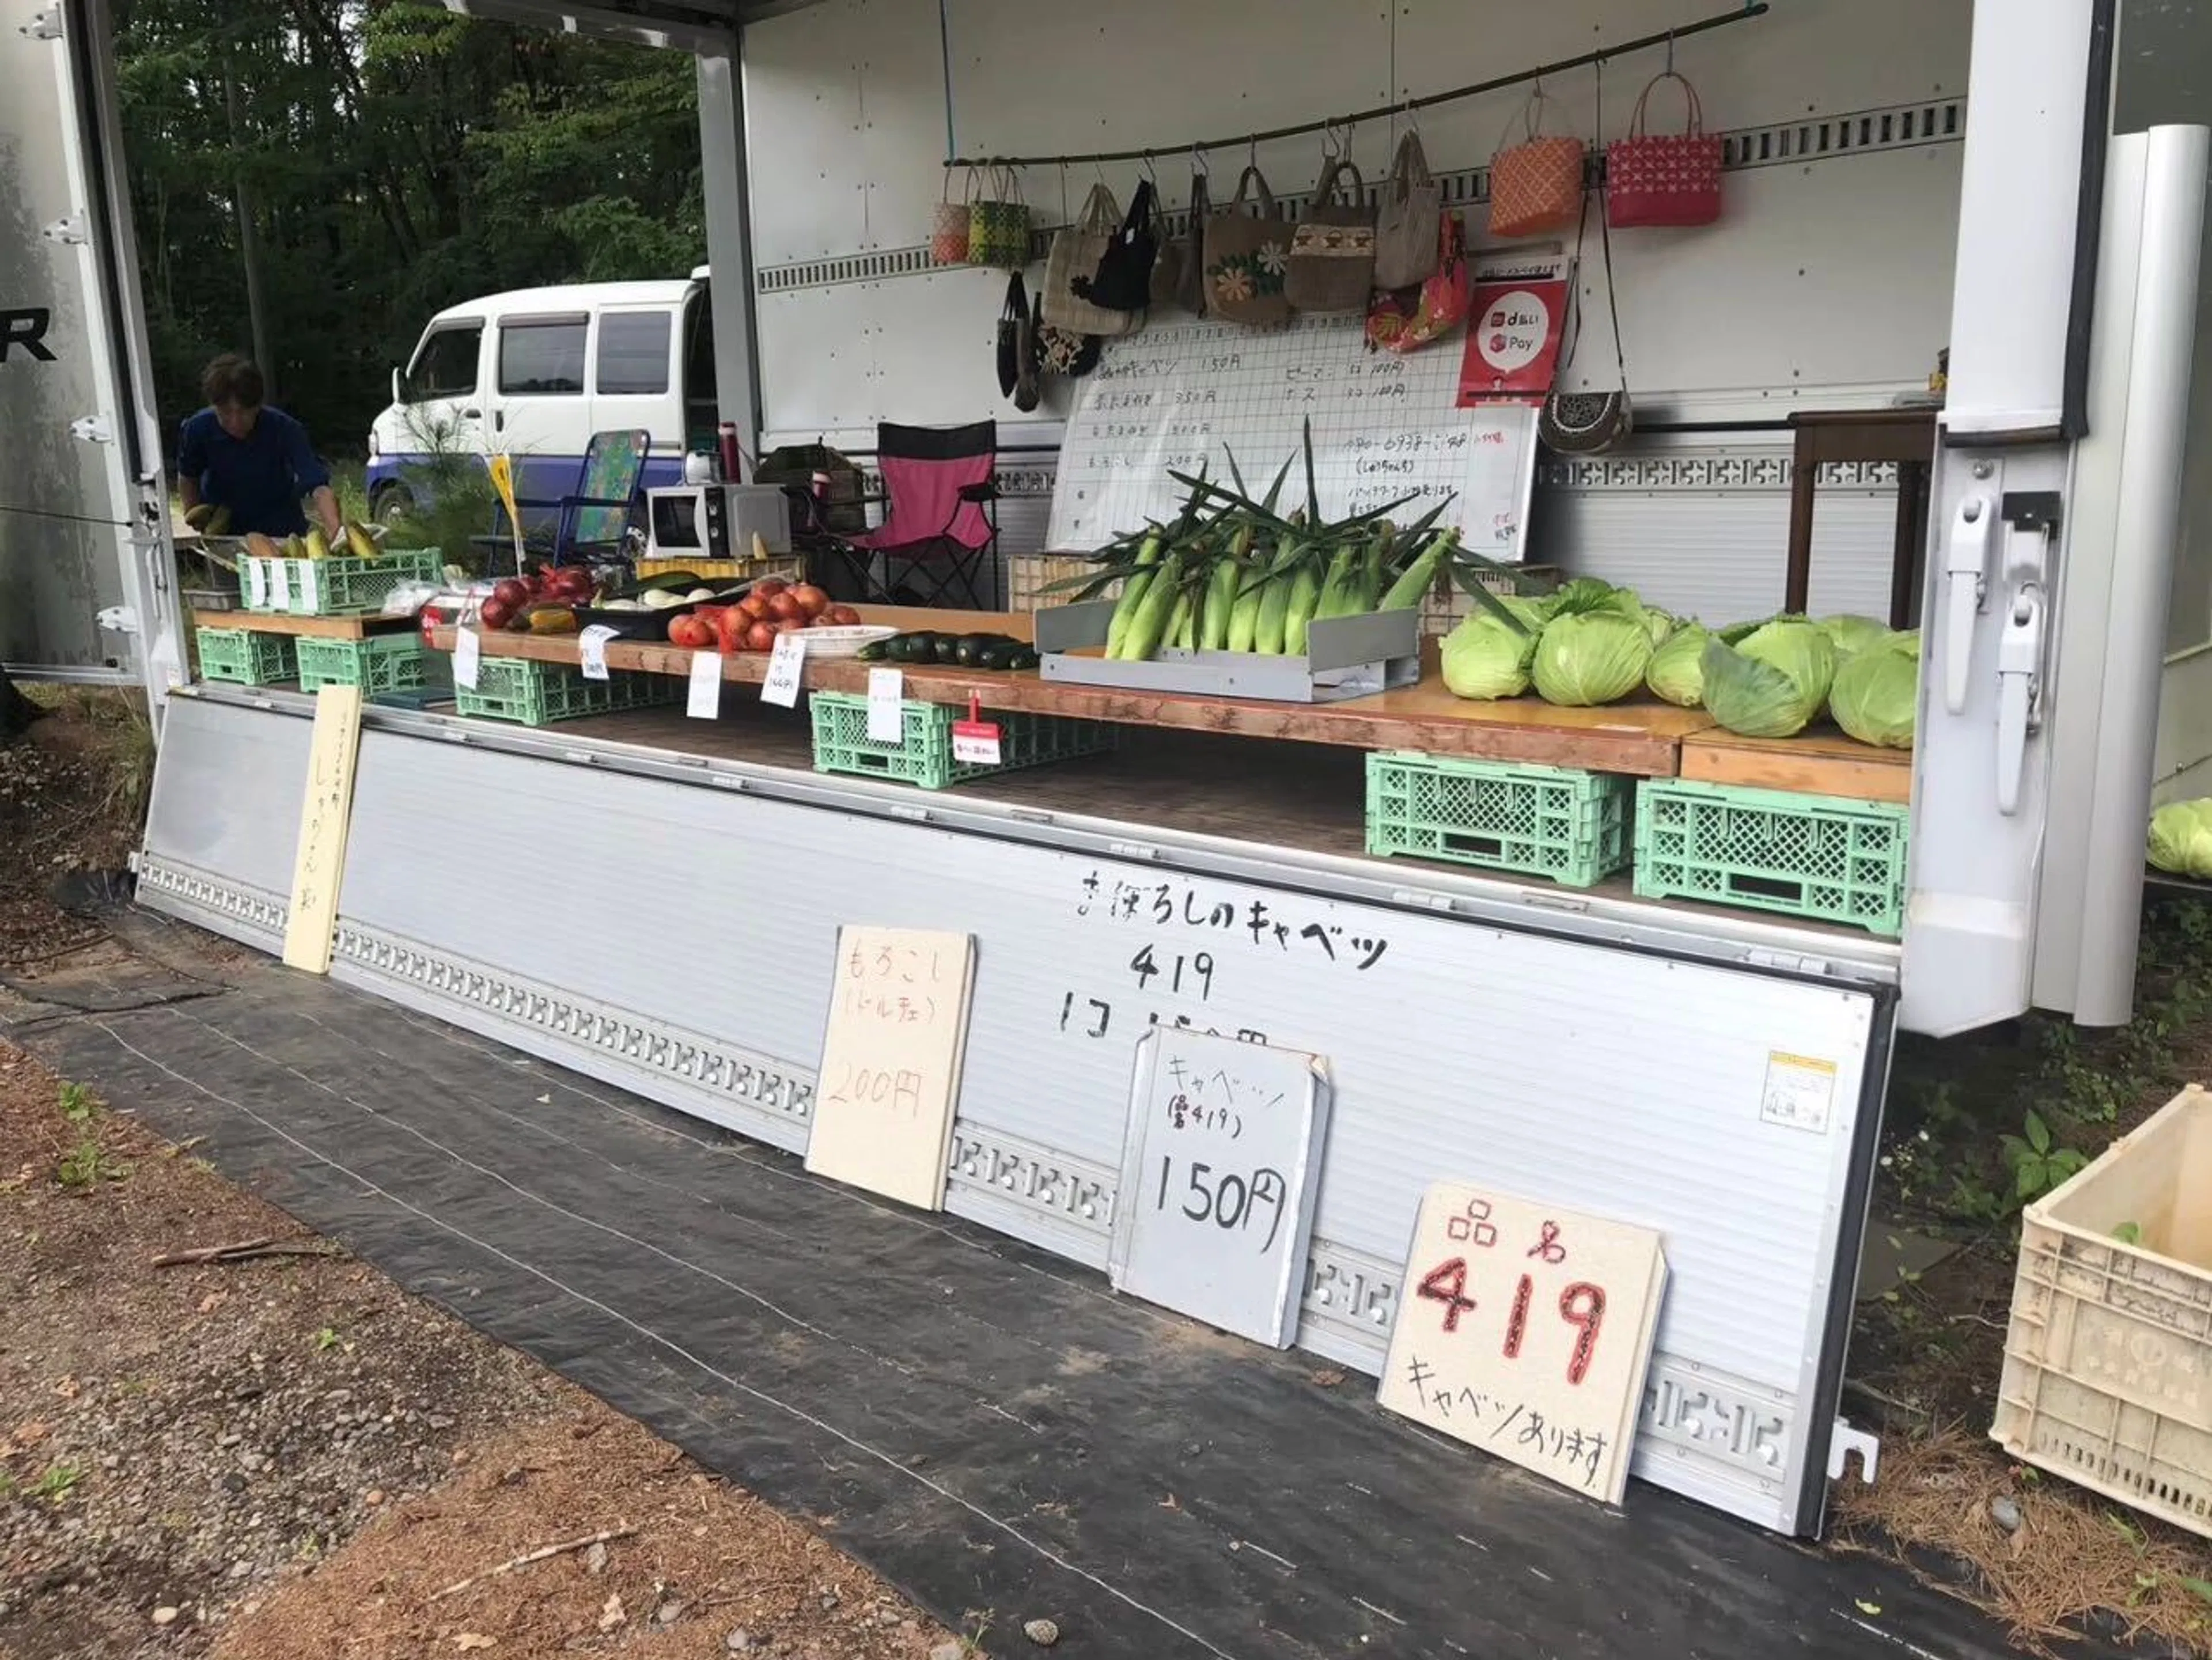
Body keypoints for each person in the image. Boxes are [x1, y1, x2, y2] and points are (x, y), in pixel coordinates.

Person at [176, 354, 342, 541]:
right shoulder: (197, 428)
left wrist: (336, 532)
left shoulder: (286, 429)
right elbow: (188, 476)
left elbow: (319, 487)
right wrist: (192, 513)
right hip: (224, 534)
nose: (235, 422)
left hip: (282, 533)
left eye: (244, 413)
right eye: (225, 414)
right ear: (214, 407)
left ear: (258, 406)